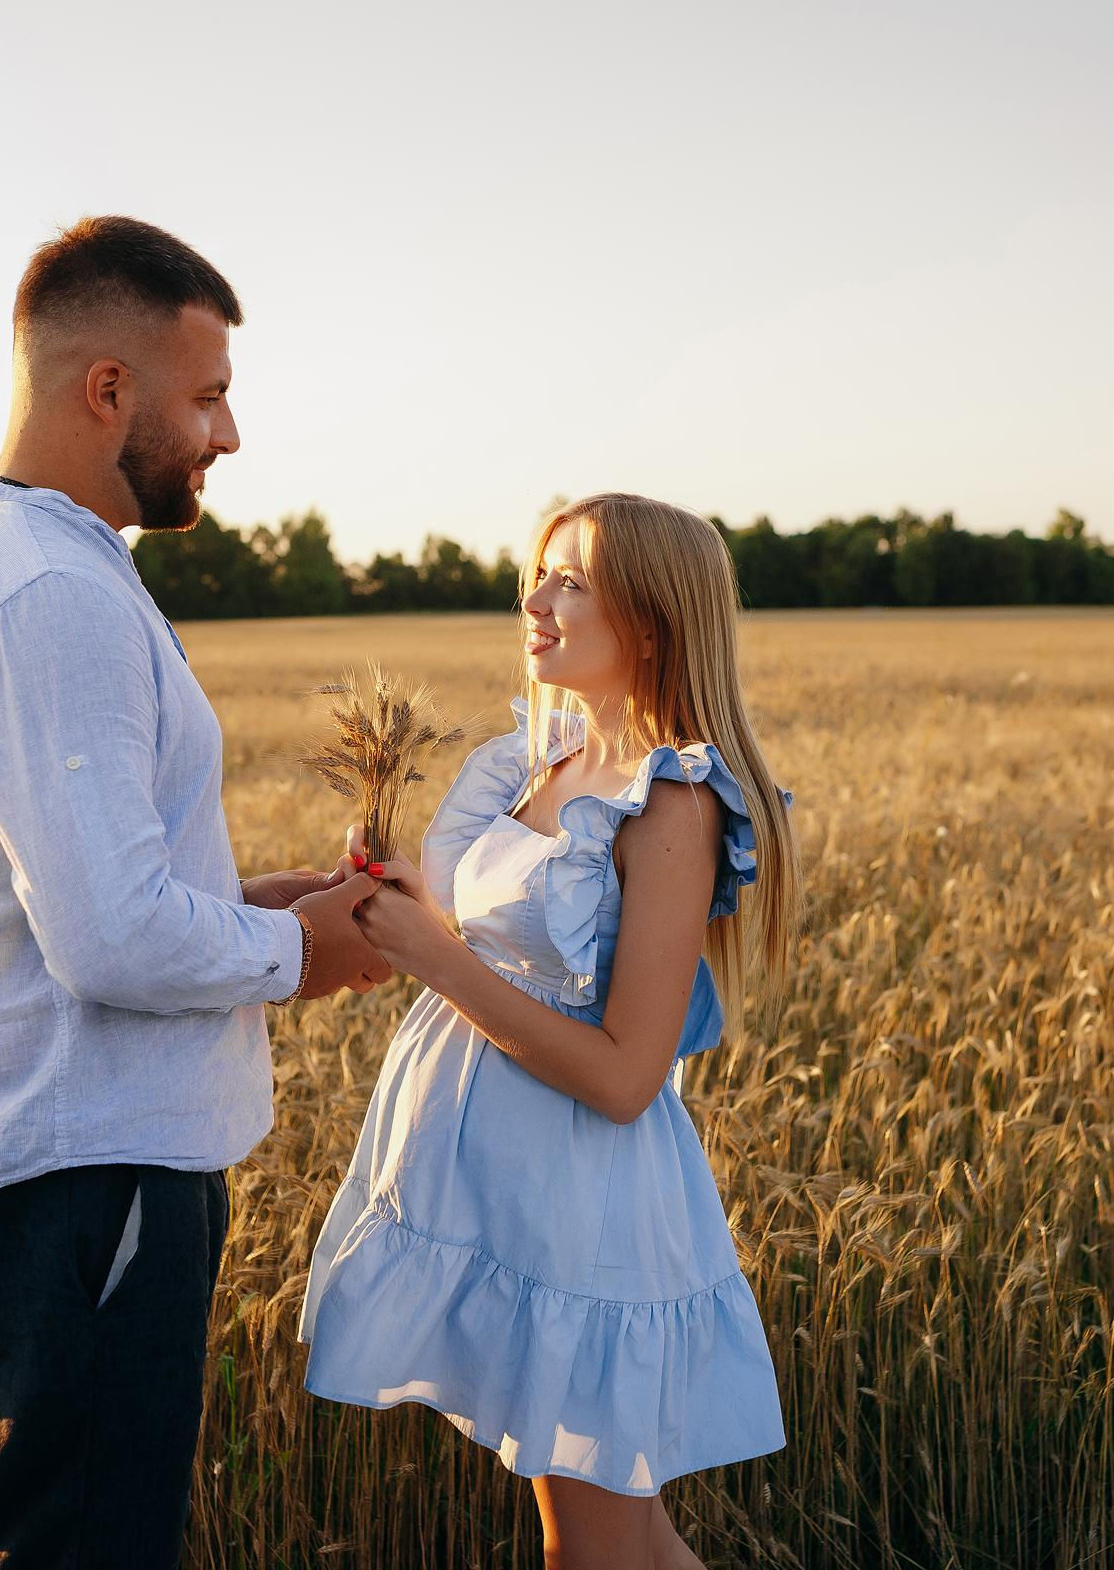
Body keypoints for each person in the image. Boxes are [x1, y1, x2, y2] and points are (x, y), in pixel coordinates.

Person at [0, 214, 391, 1568]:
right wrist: (302, 949)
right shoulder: (47, 593)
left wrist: (286, 899)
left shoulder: (43, 558)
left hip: (61, 1171)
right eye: (206, 395)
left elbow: (99, 896)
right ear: (108, 390)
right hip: (72, 1178)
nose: (227, 434)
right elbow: (108, 941)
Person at [298, 492, 797, 1570]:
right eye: (540, 573)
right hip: (503, 1192)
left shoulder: (674, 802)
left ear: (654, 619)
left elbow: (626, 1076)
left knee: (595, 1546)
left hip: (584, 1207)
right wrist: (403, 898)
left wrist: (433, 957)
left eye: (572, 580)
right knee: (625, 1535)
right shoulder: (543, 761)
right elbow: (499, 937)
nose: (536, 600)